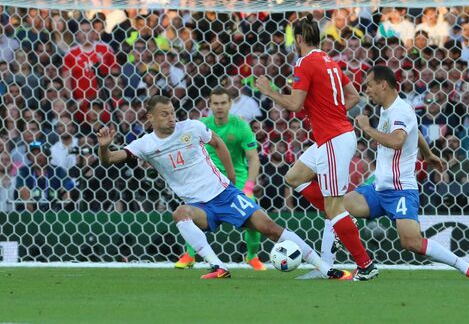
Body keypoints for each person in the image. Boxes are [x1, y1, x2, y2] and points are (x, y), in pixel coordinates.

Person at [98, 95, 349, 280]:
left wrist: (231, 178)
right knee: (180, 214)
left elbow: (218, 143)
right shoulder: (145, 145)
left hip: (224, 194)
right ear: (150, 118)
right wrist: (104, 146)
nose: (171, 117)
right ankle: (218, 266)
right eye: (164, 114)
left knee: (270, 228)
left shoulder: (192, 128)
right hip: (198, 206)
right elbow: (109, 159)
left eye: (172, 112)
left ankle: (324, 267)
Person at [343, 65, 469, 281]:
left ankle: (465, 266)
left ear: (383, 84)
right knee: (337, 206)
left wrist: (366, 128)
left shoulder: (400, 110)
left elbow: (397, 141)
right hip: (379, 187)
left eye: (369, 85)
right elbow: (415, 131)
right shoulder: (392, 108)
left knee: (411, 242)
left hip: (401, 190)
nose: (367, 90)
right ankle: (333, 267)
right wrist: (428, 153)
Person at [256, 14, 376, 282]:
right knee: (294, 177)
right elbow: (354, 96)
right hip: (331, 137)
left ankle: (366, 265)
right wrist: (333, 113)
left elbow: (295, 105)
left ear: (298, 39)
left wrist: (269, 90)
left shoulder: (304, 62)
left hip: (334, 139)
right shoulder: (330, 61)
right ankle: (340, 218)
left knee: (334, 208)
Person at [176, 87, 266, 271]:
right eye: (215, 103)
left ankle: (252, 256)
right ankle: (190, 255)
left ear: (230, 104)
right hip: (209, 181)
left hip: (237, 181)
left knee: (254, 215)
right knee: (191, 212)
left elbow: (253, 158)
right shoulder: (201, 125)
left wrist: (248, 186)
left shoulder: (240, 126)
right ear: (209, 105)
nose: (219, 107)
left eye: (223, 103)